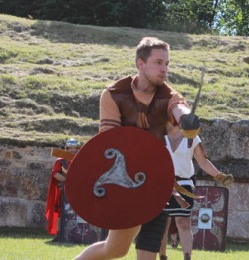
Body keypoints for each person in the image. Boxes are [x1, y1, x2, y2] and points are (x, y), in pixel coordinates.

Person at [74, 37, 192, 260]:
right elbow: (108, 142)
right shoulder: (114, 94)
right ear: (140, 63)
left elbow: (179, 108)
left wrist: (187, 119)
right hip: (125, 183)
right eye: (158, 63)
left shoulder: (169, 95)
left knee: (148, 254)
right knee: (115, 250)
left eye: (167, 64)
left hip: (157, 183)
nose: (164, 69)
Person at [158, 123, 234, 260]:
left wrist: (219, 175)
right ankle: (162, 256)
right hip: (162, 183)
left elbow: (203, 161)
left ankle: (187, 257)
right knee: (162, 224)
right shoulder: (158, 134)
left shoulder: (191, 137)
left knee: (184, 222)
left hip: (184, 183)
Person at [45, 138, 79, 241]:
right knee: (61, 212)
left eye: (74, 148)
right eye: (70, 148)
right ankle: (59, 235)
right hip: (63, 190)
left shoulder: (79, 159)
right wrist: (67, 180)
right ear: (67, 148)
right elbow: (55, 173)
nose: (72, 150)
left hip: (76, 190)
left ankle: (75, 234)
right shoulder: (60, 161)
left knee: (76, 212)